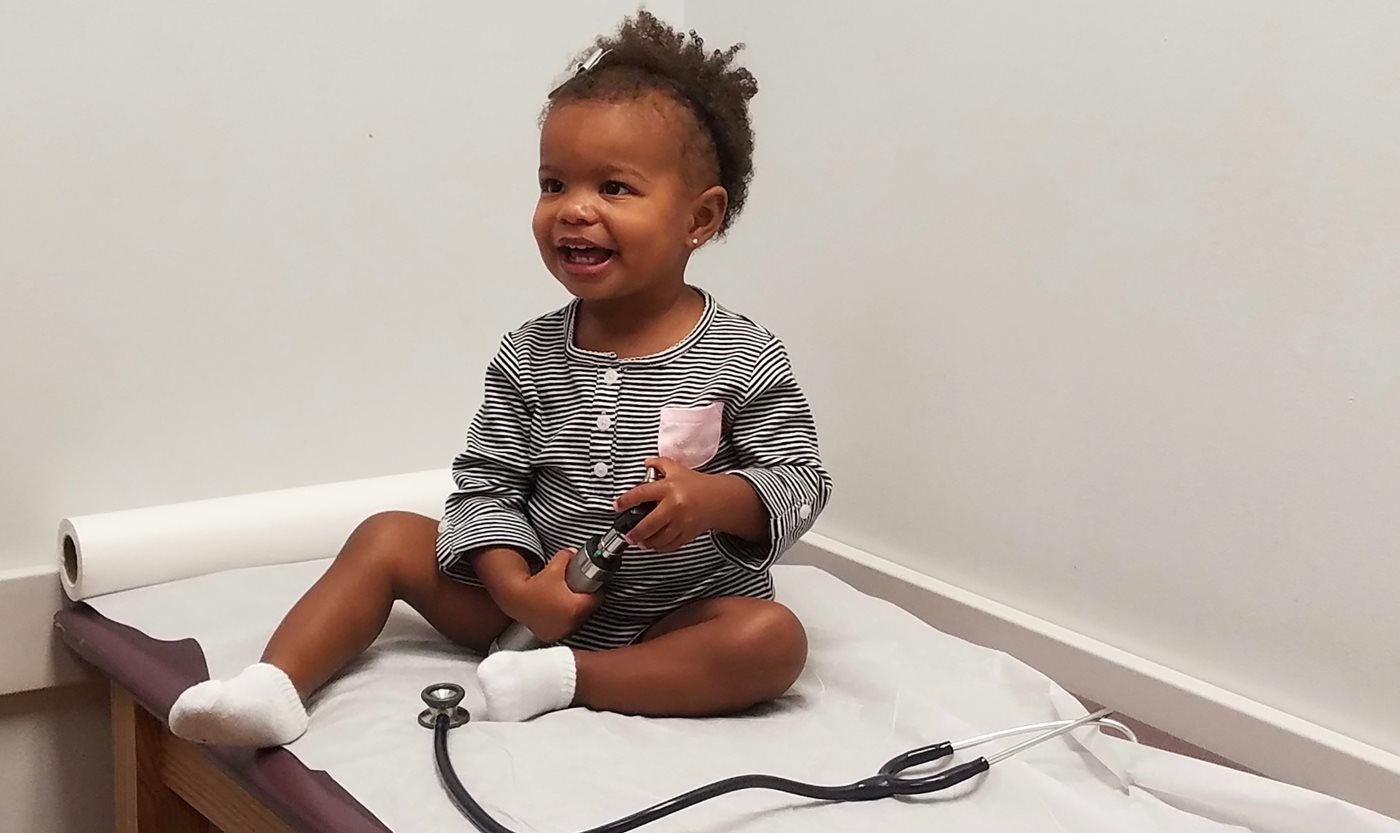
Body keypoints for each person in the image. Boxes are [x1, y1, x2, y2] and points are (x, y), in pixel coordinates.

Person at [168, 10, 832, 748]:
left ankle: (568, 680)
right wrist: (519, 590)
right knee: (387, 535)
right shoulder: (528, 353)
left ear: (699, 219)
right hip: (527, 607)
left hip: (677, 615)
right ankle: (273, 687)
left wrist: (712, 499)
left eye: (614, 187)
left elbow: (800, 480)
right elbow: (486, 484)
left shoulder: (743, 355)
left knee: (773, 641)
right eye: (554, 183)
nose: (573, 209)